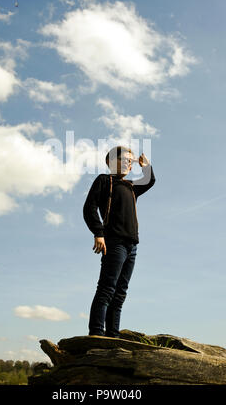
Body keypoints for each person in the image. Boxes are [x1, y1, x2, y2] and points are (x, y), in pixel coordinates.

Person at [83, 145, 156, 338]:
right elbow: (89, 207)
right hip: (114, 242)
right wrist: (98, 233)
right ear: (110, 162)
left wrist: (146, 166)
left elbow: (150, 181)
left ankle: (112, 336)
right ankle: (96, 335)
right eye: (124, 160)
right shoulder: (104, 181)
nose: (128, 164)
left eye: (130, 162)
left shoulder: (131, 187)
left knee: (120, 294)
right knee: (107, 289)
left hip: (132, 246)